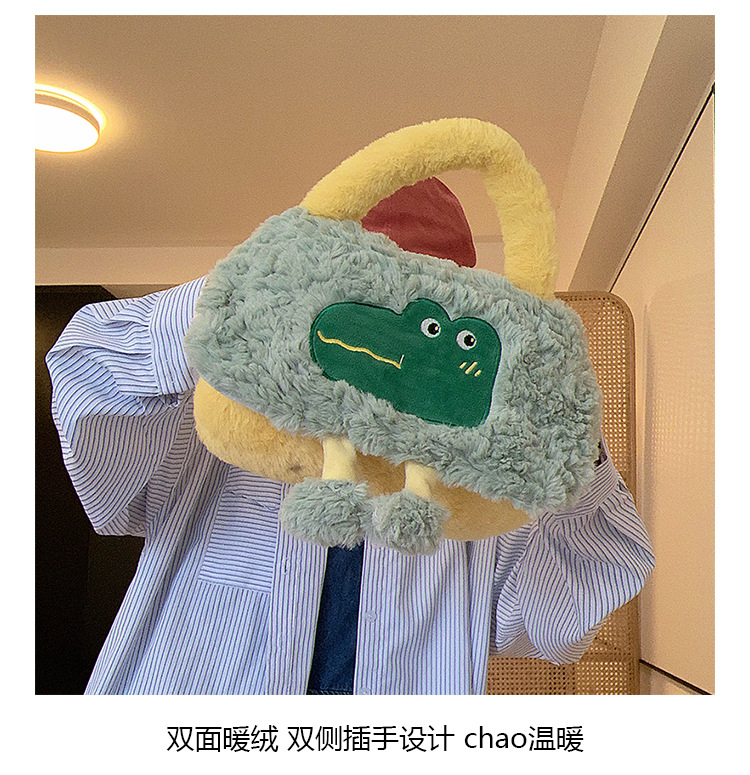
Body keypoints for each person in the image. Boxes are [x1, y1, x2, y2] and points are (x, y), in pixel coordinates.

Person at [46, 179, 654, 695]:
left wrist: (566, 440)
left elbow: (555, 623)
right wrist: (232, 301)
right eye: (365, 295)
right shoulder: (219, 411)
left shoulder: (478, 482)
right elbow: (86, 389)